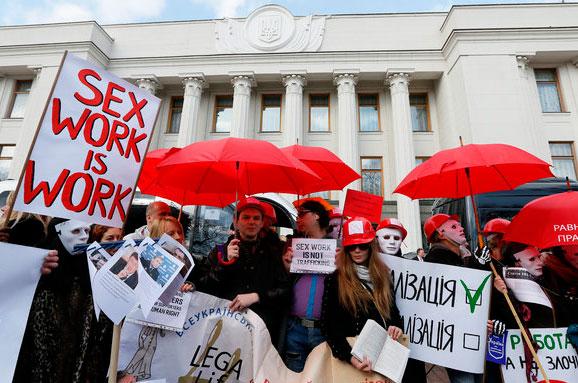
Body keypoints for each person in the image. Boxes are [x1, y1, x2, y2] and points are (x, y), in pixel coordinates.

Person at [13, 218, 110, 383]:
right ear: (58, 232)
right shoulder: (36, 271)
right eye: (75, 231)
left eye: (87, 231)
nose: (83, 237)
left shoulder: (93, 273)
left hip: (75, 369)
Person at [194, 197, 291, 347]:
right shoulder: (220, 251)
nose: (251, 222)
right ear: (236, 221)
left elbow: (285, 293)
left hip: (262, 332)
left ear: (261, 222)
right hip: (227, 331)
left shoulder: (276, 252)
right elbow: (205, 289)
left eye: (256, 218)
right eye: (246, 217)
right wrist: (225, 264)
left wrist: (257, 296)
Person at [322, 216, 404, 372]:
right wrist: (350, 357)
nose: (357, 250)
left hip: (381, 356)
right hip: (351, 358)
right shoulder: (335, 280)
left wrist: (396, 326)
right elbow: (329, 325)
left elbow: (393, 312)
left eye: (362, 245)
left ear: (371, 246)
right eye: (352, 246)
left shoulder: (384, 276)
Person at [424, 214, 482, 383]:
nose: (462, 228)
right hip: (456, 337)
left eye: (460, 225)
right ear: (440, 234)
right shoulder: (437, 260)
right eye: (454, 227)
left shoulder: (462, 257)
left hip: (470, 333)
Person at [282, 197, 333, 372]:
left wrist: (342, 267)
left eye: (302, 214)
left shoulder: (337, 249)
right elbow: (282, 286)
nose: (298, 219)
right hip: (295, 328)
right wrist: (287, 268)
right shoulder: (293, 247)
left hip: (324, 330)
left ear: (317, 216)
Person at [374, 217, 426, 382]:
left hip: (407, 335)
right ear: (377, 239)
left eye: (396, 238)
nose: (391, 242)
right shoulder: (369, 266)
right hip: (379, 333)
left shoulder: (413, 269)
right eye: (386, 237)